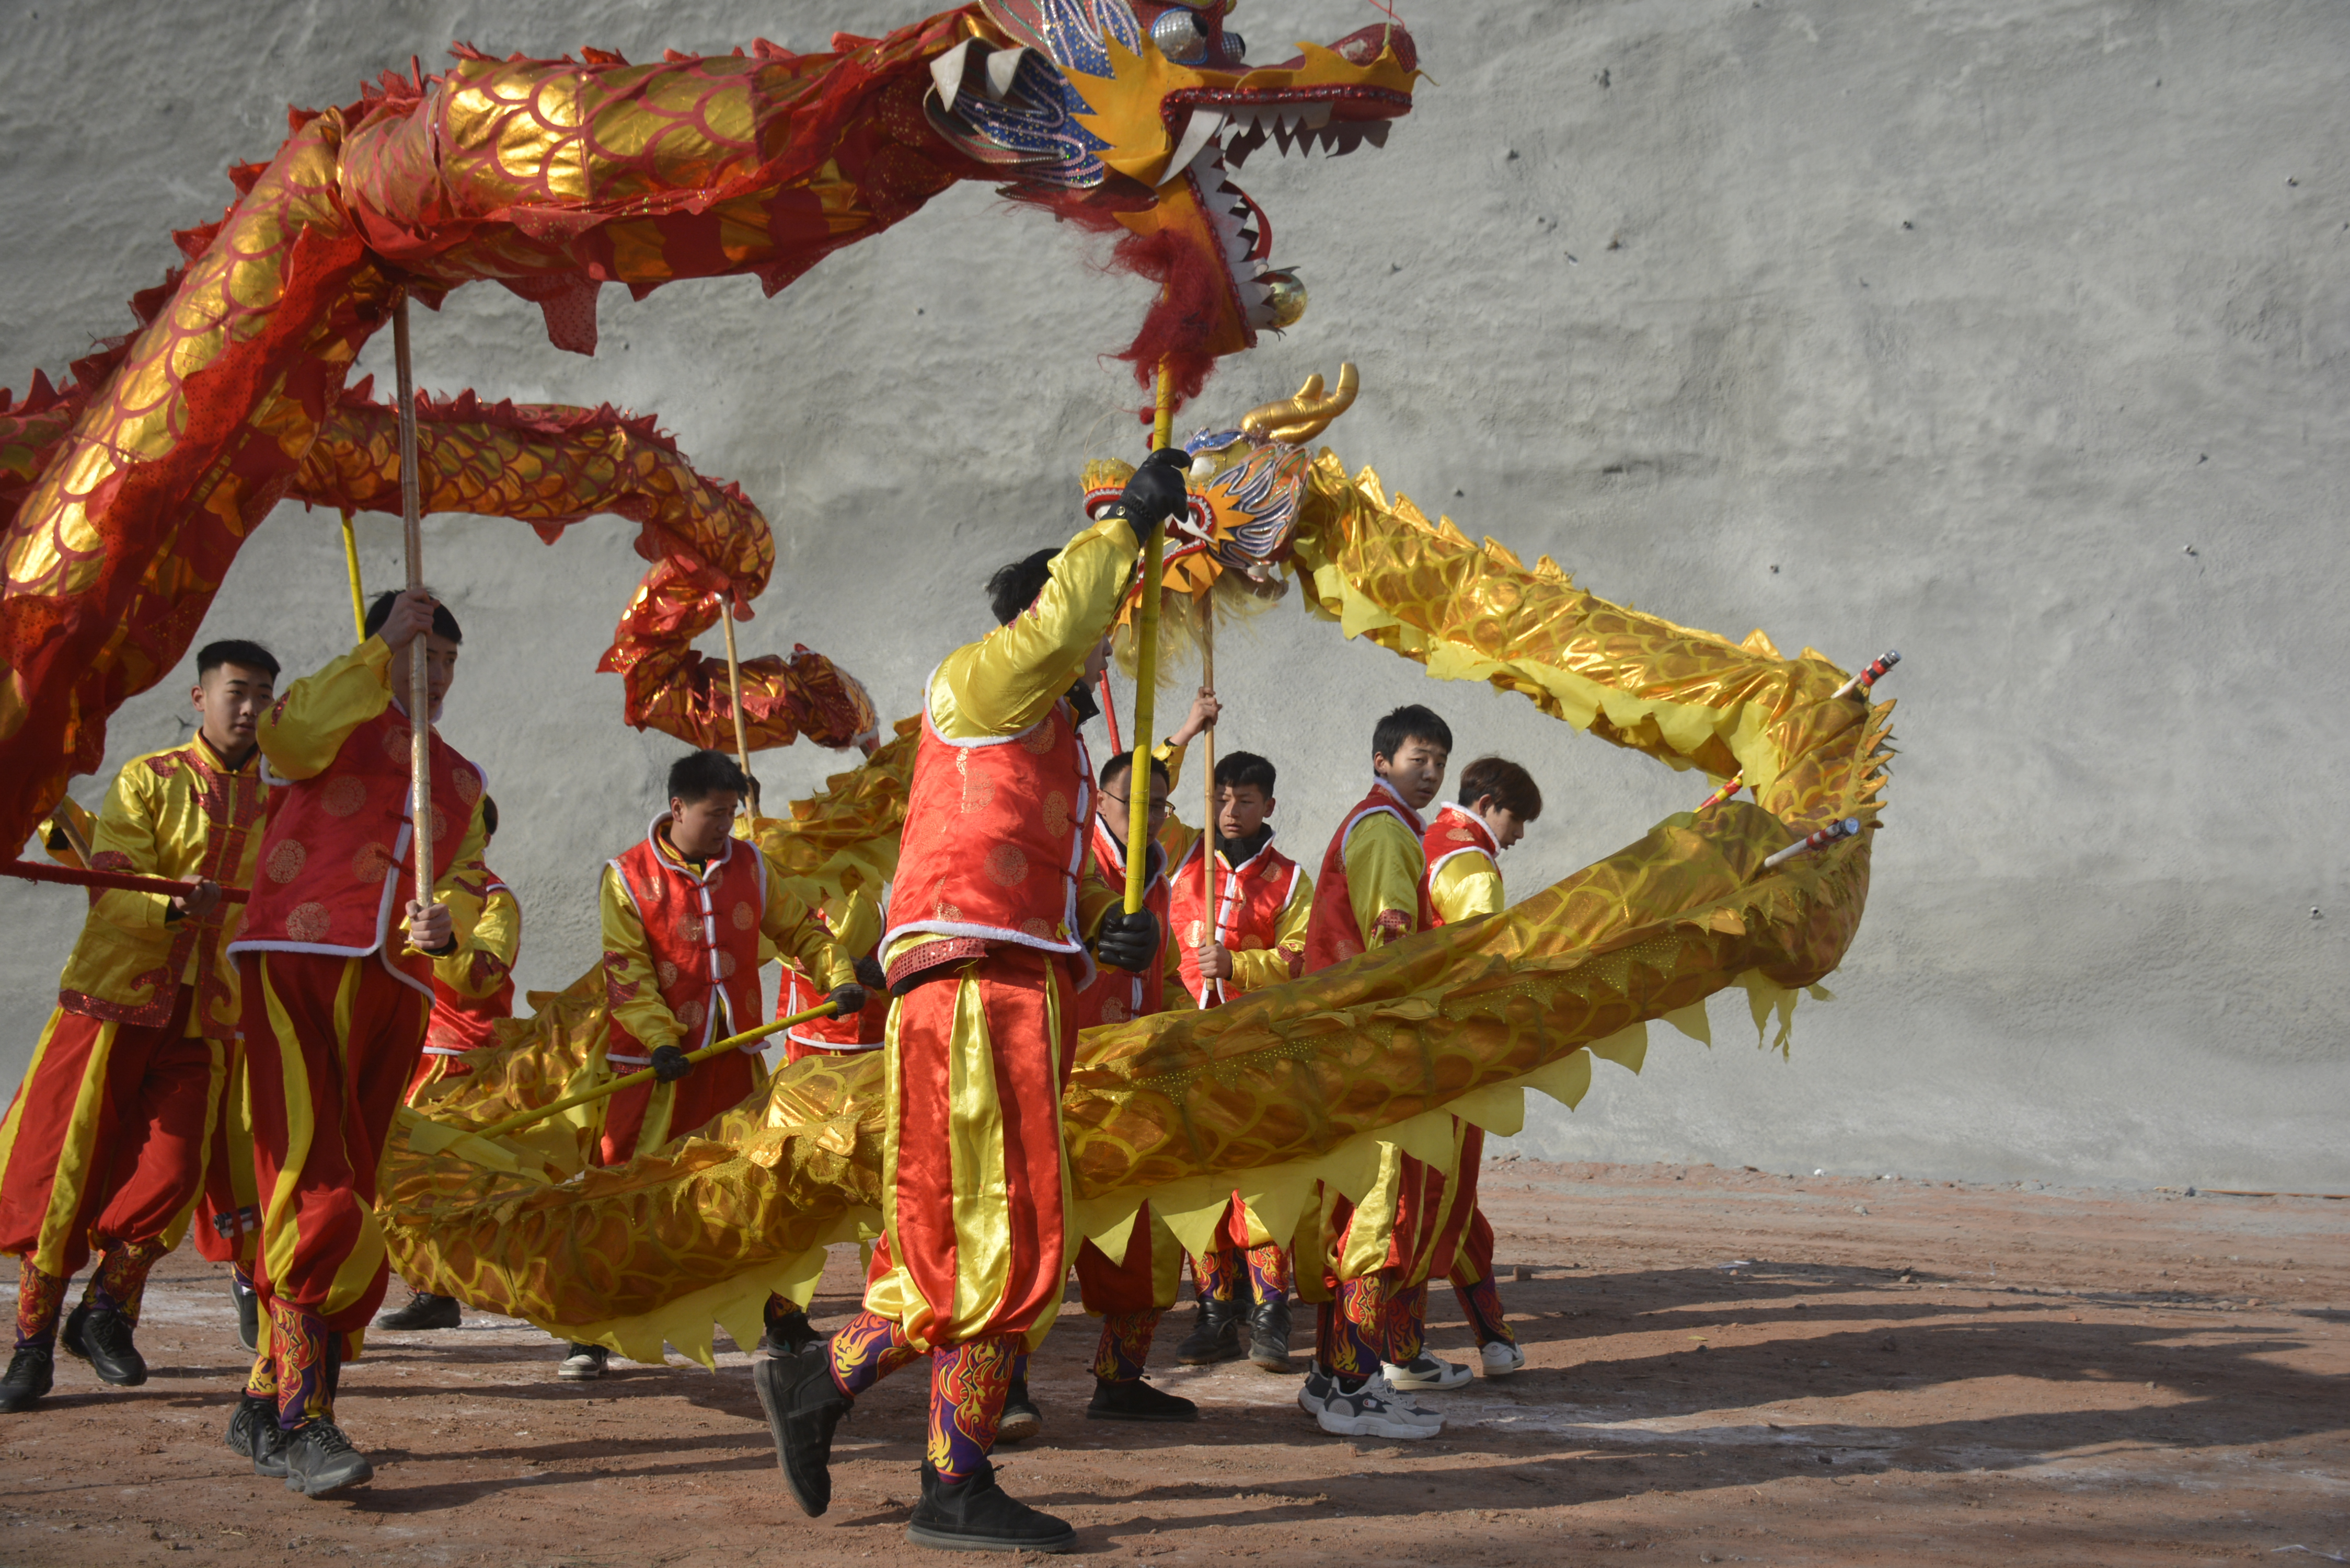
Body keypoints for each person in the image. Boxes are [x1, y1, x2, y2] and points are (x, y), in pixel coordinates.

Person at [752, 449, 1186, 1554]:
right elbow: (1055, 628)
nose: (1098, 645)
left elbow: (1058, 886)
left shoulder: (1065, 749)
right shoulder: (979, 686)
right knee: (996, 1245)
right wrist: (1127, 526)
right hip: (964, 991)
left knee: (998, 1241)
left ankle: (845, 1396)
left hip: (1018, 986)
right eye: (1091, 622)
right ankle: (937, 1467)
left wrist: (1107, 931)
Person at [222, 587, 487, 1497]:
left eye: (449, 662)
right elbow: (284, 742)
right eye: (426, 657)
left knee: (356, 1195)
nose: (439, 676)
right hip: (298, 961)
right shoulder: (334, 718)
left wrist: (451, 934)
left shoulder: (459, 780)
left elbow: (470, 892)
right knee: (313, 1182)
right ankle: (304, 1418)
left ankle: (266, 1395)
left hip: (395, 989)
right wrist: (377, 650)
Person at [0, 641, 279, 1414]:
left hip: (209, 1015)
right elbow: (117, 877)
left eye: (262, 694)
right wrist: (170, 901)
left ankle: (106, 1312)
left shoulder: (284, 804)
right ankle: (31, 1344)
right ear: (200, 697)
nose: (249, 707)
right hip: (113, 1002)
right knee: (65, 1171)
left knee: (173, 1173)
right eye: (236, 691)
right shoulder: (148, 780)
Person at [561, 748, 864, 1381]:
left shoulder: (751, 865)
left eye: (732, 812)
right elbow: (627, 971)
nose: (726, 825)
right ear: (677, 808)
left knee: (757, 1182)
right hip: (655, 1068)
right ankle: (591, 1331)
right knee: (629, 1190)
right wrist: (658, 1040)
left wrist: (835, 975)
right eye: (714, 813)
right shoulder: (626, 876)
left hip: (733, 1058)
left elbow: (801, 931)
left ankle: (779, 1316)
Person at [1040, 688, 1220, 1436]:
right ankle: (1006, 1379)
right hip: (1067, 1079)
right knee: (1044, 1237)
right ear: (1101, 802)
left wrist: (1191, 1036)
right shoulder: (1071, 864)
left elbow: (1169, 968)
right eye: (1129, 799)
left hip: (1141, 1083)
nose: (1145, 811)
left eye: (1159, 802)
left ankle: (1121, 1376)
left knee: (1149, 1239)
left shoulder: (1161, 871)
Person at [1293, 702, 1460, 1440]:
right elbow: (1393, 948)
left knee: (1348, 1212)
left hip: (1339, 1048)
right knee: (1374, 1215)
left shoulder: (1375, 826)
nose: (1429, 772)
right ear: (1380, 759)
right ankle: (1354, 1387)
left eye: (1438, 762)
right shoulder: (1388, 833)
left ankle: (1332, 1378)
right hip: (1369, 1051)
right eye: (1417, 758)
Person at [1165, 748, 1312, 1371]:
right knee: (1200, 1182)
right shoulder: (1178, 864)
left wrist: (1240, 966)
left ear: (1268, 807)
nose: (1230, 810)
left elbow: (1303, 958)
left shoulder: (1291, 878)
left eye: (1244, 800)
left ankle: (1270, 1311)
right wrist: (1187, 732)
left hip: (1259, 1050)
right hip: (1189, 1047)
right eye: (1221, 797)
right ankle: (1212, 1311)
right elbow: (1140, 787)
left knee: (1258, 1180)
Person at [376, 797, 521, 1334]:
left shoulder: (494, 899)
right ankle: (428, 1287)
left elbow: (482, 975)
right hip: (405, 1049)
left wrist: (444, 942)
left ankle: (446, 1285)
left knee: (438, 1179)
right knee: (399, 1179)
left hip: (460, 1059)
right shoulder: (404, 892)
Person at [1420, 757, 1544, 1379]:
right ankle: (1395, 1350)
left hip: (1412, 1055)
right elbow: (1479, 975)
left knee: (1445, 1205)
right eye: (1515, 818)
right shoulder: (1470, 867)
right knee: (1429, 1205)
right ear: (1490, 802)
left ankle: (1493, 1340)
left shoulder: (1421, 844)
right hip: (1447, 1060)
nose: (1518, 835)